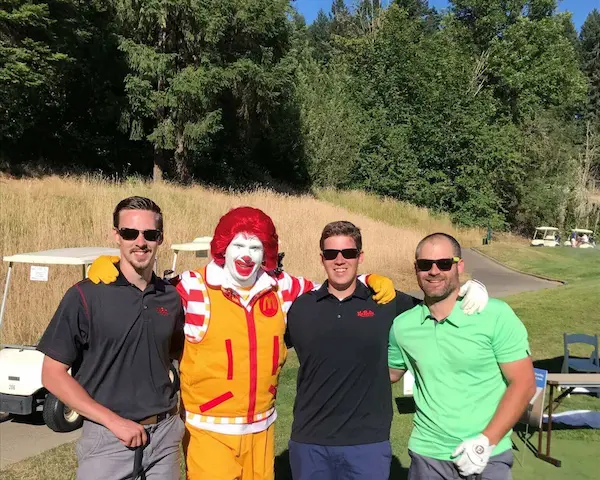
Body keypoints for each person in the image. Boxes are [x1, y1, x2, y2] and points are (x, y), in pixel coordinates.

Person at [86, 206, 397, 480]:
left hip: (261, 431)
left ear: (267, 253)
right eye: (239, 245)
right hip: (210, 432)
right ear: (223, 247)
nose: (247, 255)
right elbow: (149, 293)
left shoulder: (281, 287)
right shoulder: (193, 287)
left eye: (255, 246)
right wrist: (118, 270)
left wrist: (369, 280)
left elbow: (333, 285)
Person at [285, 222, 490, 480]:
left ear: (360, 257)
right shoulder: (301, 307)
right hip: (309, 442)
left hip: (368, 443)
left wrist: (469, 289)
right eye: (331, 254)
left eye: (348, 253)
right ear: (321, 258)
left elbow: (438, 302)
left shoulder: (386, 301)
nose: (339, 260)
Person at [37, 196, 186, 480]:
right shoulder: (86, 295)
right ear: (115, 235)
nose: (140, 242)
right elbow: (52, 374)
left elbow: (179, 355)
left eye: (149, 234)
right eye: (130, 233)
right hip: (108, 439)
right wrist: (114, 422)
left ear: (160, 239)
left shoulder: (171, 296)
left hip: (165, 437)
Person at [389, 232, 536, 480]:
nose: (434, 271)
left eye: (444, 263)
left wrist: (485, 442)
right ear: (416, 269)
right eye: (425, 265)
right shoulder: (402, 326)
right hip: (428, 456)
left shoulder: (495, 315)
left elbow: (524, 384)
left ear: (460, 266)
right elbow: (389, 373)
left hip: (488, 455)